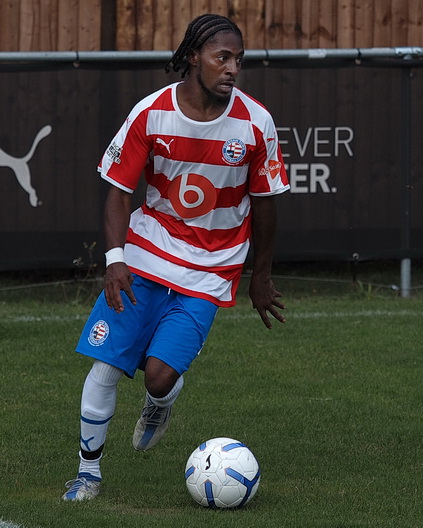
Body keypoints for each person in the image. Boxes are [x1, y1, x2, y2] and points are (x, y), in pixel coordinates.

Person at [62, 14, 290, 501]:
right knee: (105, 366)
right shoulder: (151, 112)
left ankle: (160, 401)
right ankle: (87, 474)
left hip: (211, 267)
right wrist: (115, 258)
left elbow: (266, 205)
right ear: (194, 57)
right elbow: (119, 192)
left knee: (160, 375)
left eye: (238, 60)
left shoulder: (256, 123)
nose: (232, 69)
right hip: (145, 253)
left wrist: (260, 276)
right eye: (221, 57)